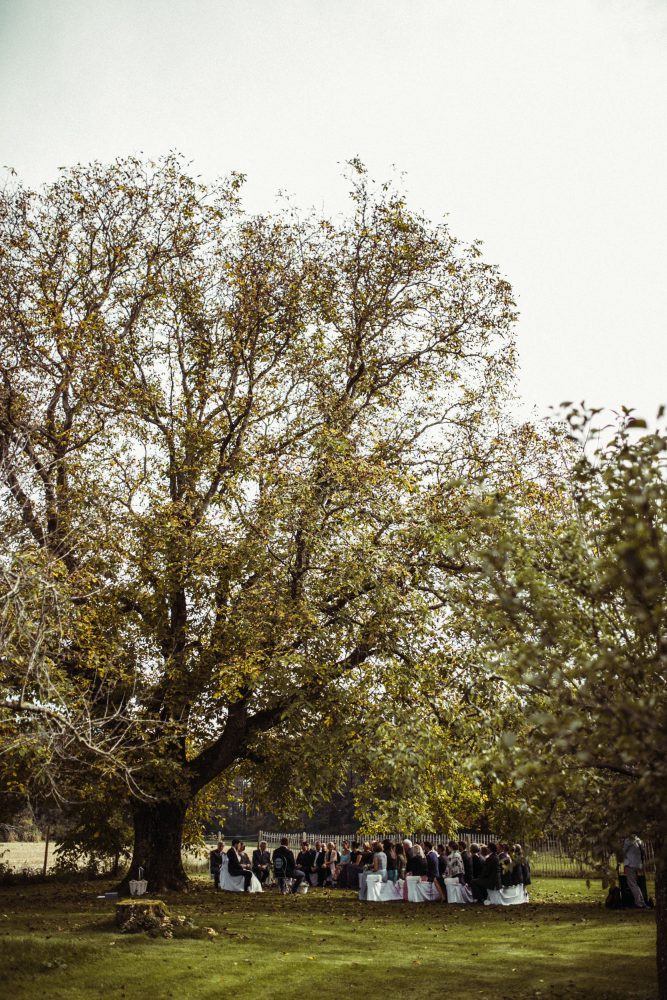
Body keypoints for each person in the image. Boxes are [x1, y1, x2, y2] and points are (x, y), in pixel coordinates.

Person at [623, 835, 647, 908]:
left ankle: (639, 902)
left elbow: (623, 852)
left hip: (630, 864)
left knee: (632, 884)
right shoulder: (638, 840)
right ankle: (641, 901)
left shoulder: (628, 840)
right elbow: (643, 852)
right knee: (635, 884)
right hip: (637, 864)